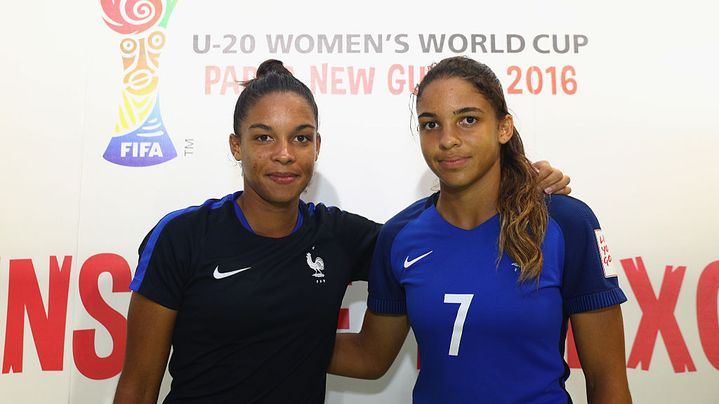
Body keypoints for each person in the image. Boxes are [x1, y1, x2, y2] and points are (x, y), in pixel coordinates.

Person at [113, 59, 571, 404]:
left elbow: (441, 240)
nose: (284, 154)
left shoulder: (342, 237)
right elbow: (137, 385)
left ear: (317, 145)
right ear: (236, 145)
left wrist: (517, 181)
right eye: (263, 137)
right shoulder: (182, 236)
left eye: (300, 136)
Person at [328, 56, 631, 404]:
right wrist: (263, 336)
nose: (448, 140)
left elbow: (607, 381)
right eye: (430, 124)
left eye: (468, 120)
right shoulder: (400, 236)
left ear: (504, 128)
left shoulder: (566, 224)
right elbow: (370, 356)